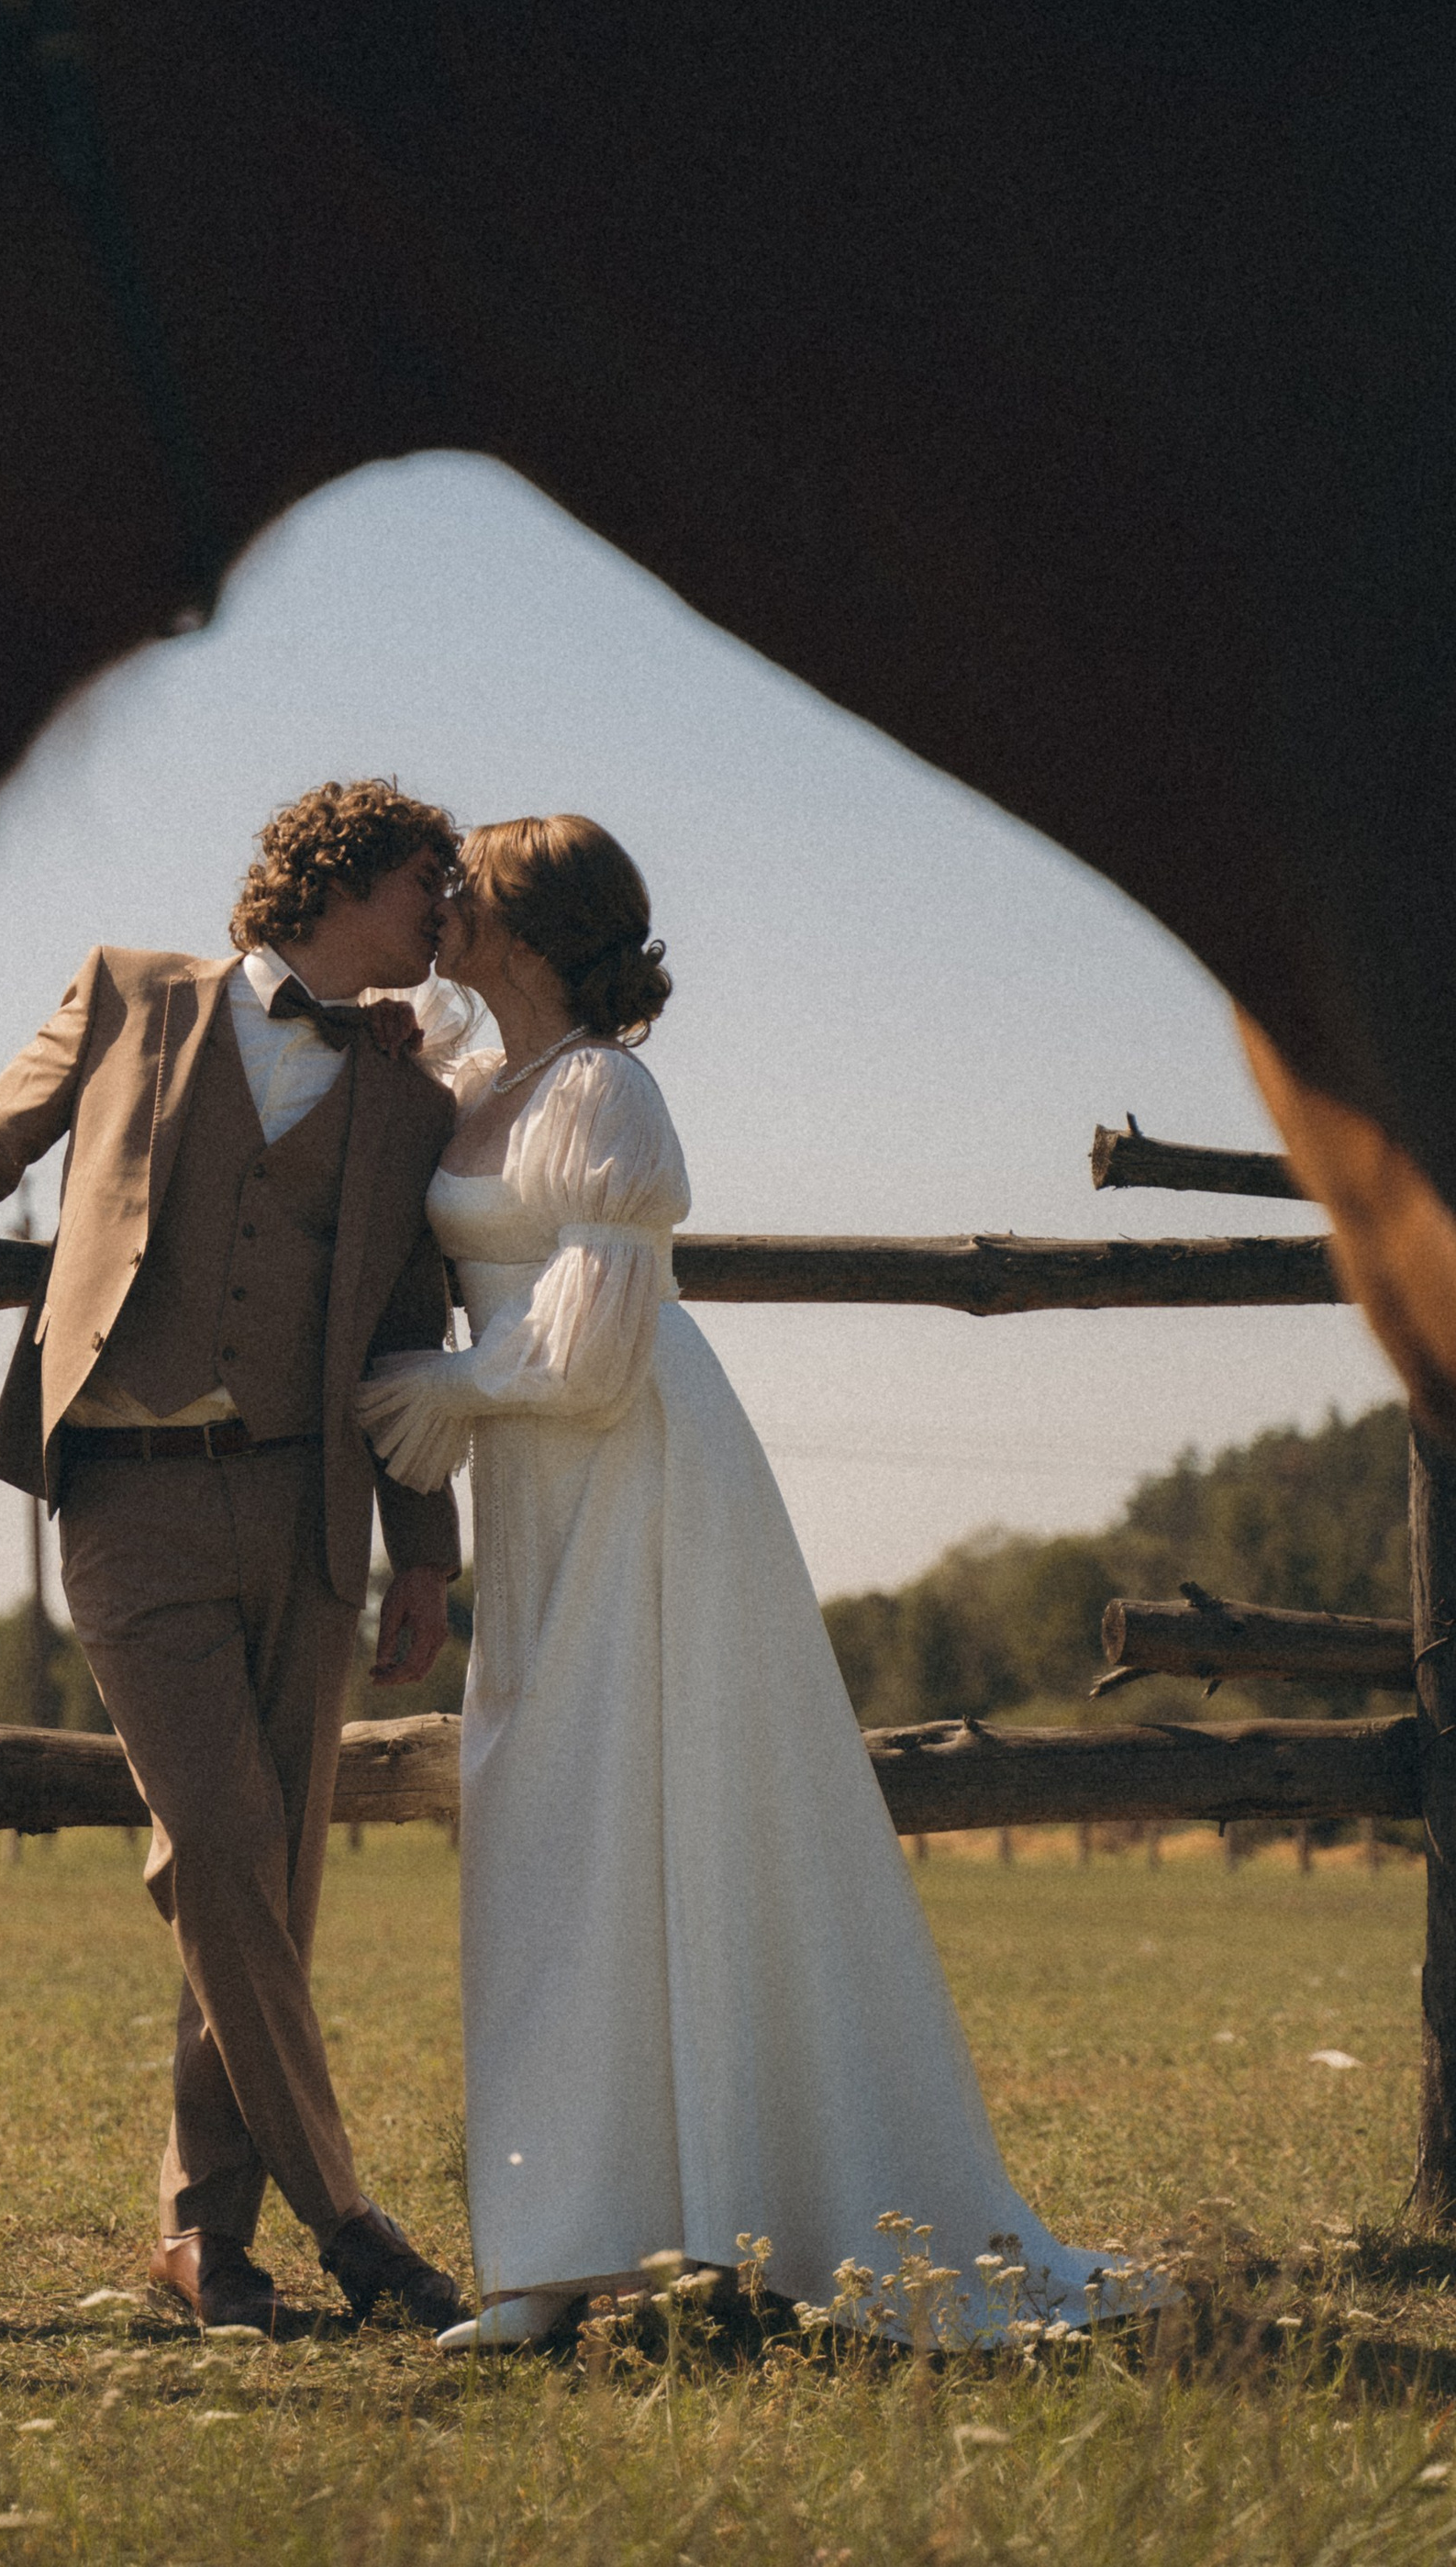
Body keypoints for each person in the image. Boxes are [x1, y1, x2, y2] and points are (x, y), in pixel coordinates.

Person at [357, 814, 1149, 2352]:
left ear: (528, 926)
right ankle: (553, 2248)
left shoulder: (602, 1091)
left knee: (657, 1813)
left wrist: (436, 1387)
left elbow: (589, 1363)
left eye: (470, 891)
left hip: (637, 1468)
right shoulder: (477, 1076)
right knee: (545, 1822)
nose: (443, 907)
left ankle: (748, 2204)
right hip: (537, 1491)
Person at [0, 779, 472, 2340]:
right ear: (340, 879)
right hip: (132, 1501)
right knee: (228, 1847)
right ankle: (351, 2220)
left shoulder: (410, 1097)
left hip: (312, 1522)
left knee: (258, 1884)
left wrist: (426, 1555)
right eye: (427, 888)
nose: (448, 920)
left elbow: (400, 1332)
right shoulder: (127, 999)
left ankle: (202, 2242)